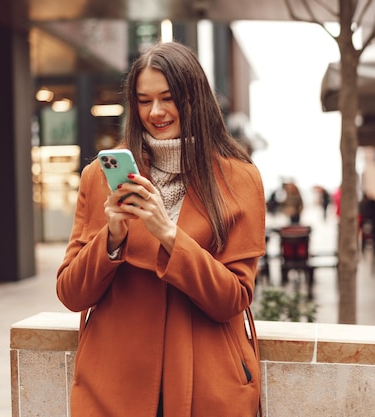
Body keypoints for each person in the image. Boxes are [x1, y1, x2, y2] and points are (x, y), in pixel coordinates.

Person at [56, 42, 265, 417]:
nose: (155, 112)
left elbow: (233, 298)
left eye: (168, 98)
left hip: (207, 385)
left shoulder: (240, 180)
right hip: (113, 386)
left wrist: (168, 234)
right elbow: (71, 294)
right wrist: (113, 238)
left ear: (195, 98)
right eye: (143, 100)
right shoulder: (98, 177)